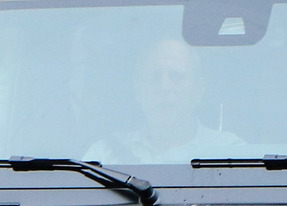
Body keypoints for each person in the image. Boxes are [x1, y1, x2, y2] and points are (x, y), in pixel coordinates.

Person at [84, 36, 249, 165]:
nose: (164, 87)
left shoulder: (230, 153)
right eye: (154, 77)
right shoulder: (103, 156)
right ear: (137, 90)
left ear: (198, 90)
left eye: (177, 77)